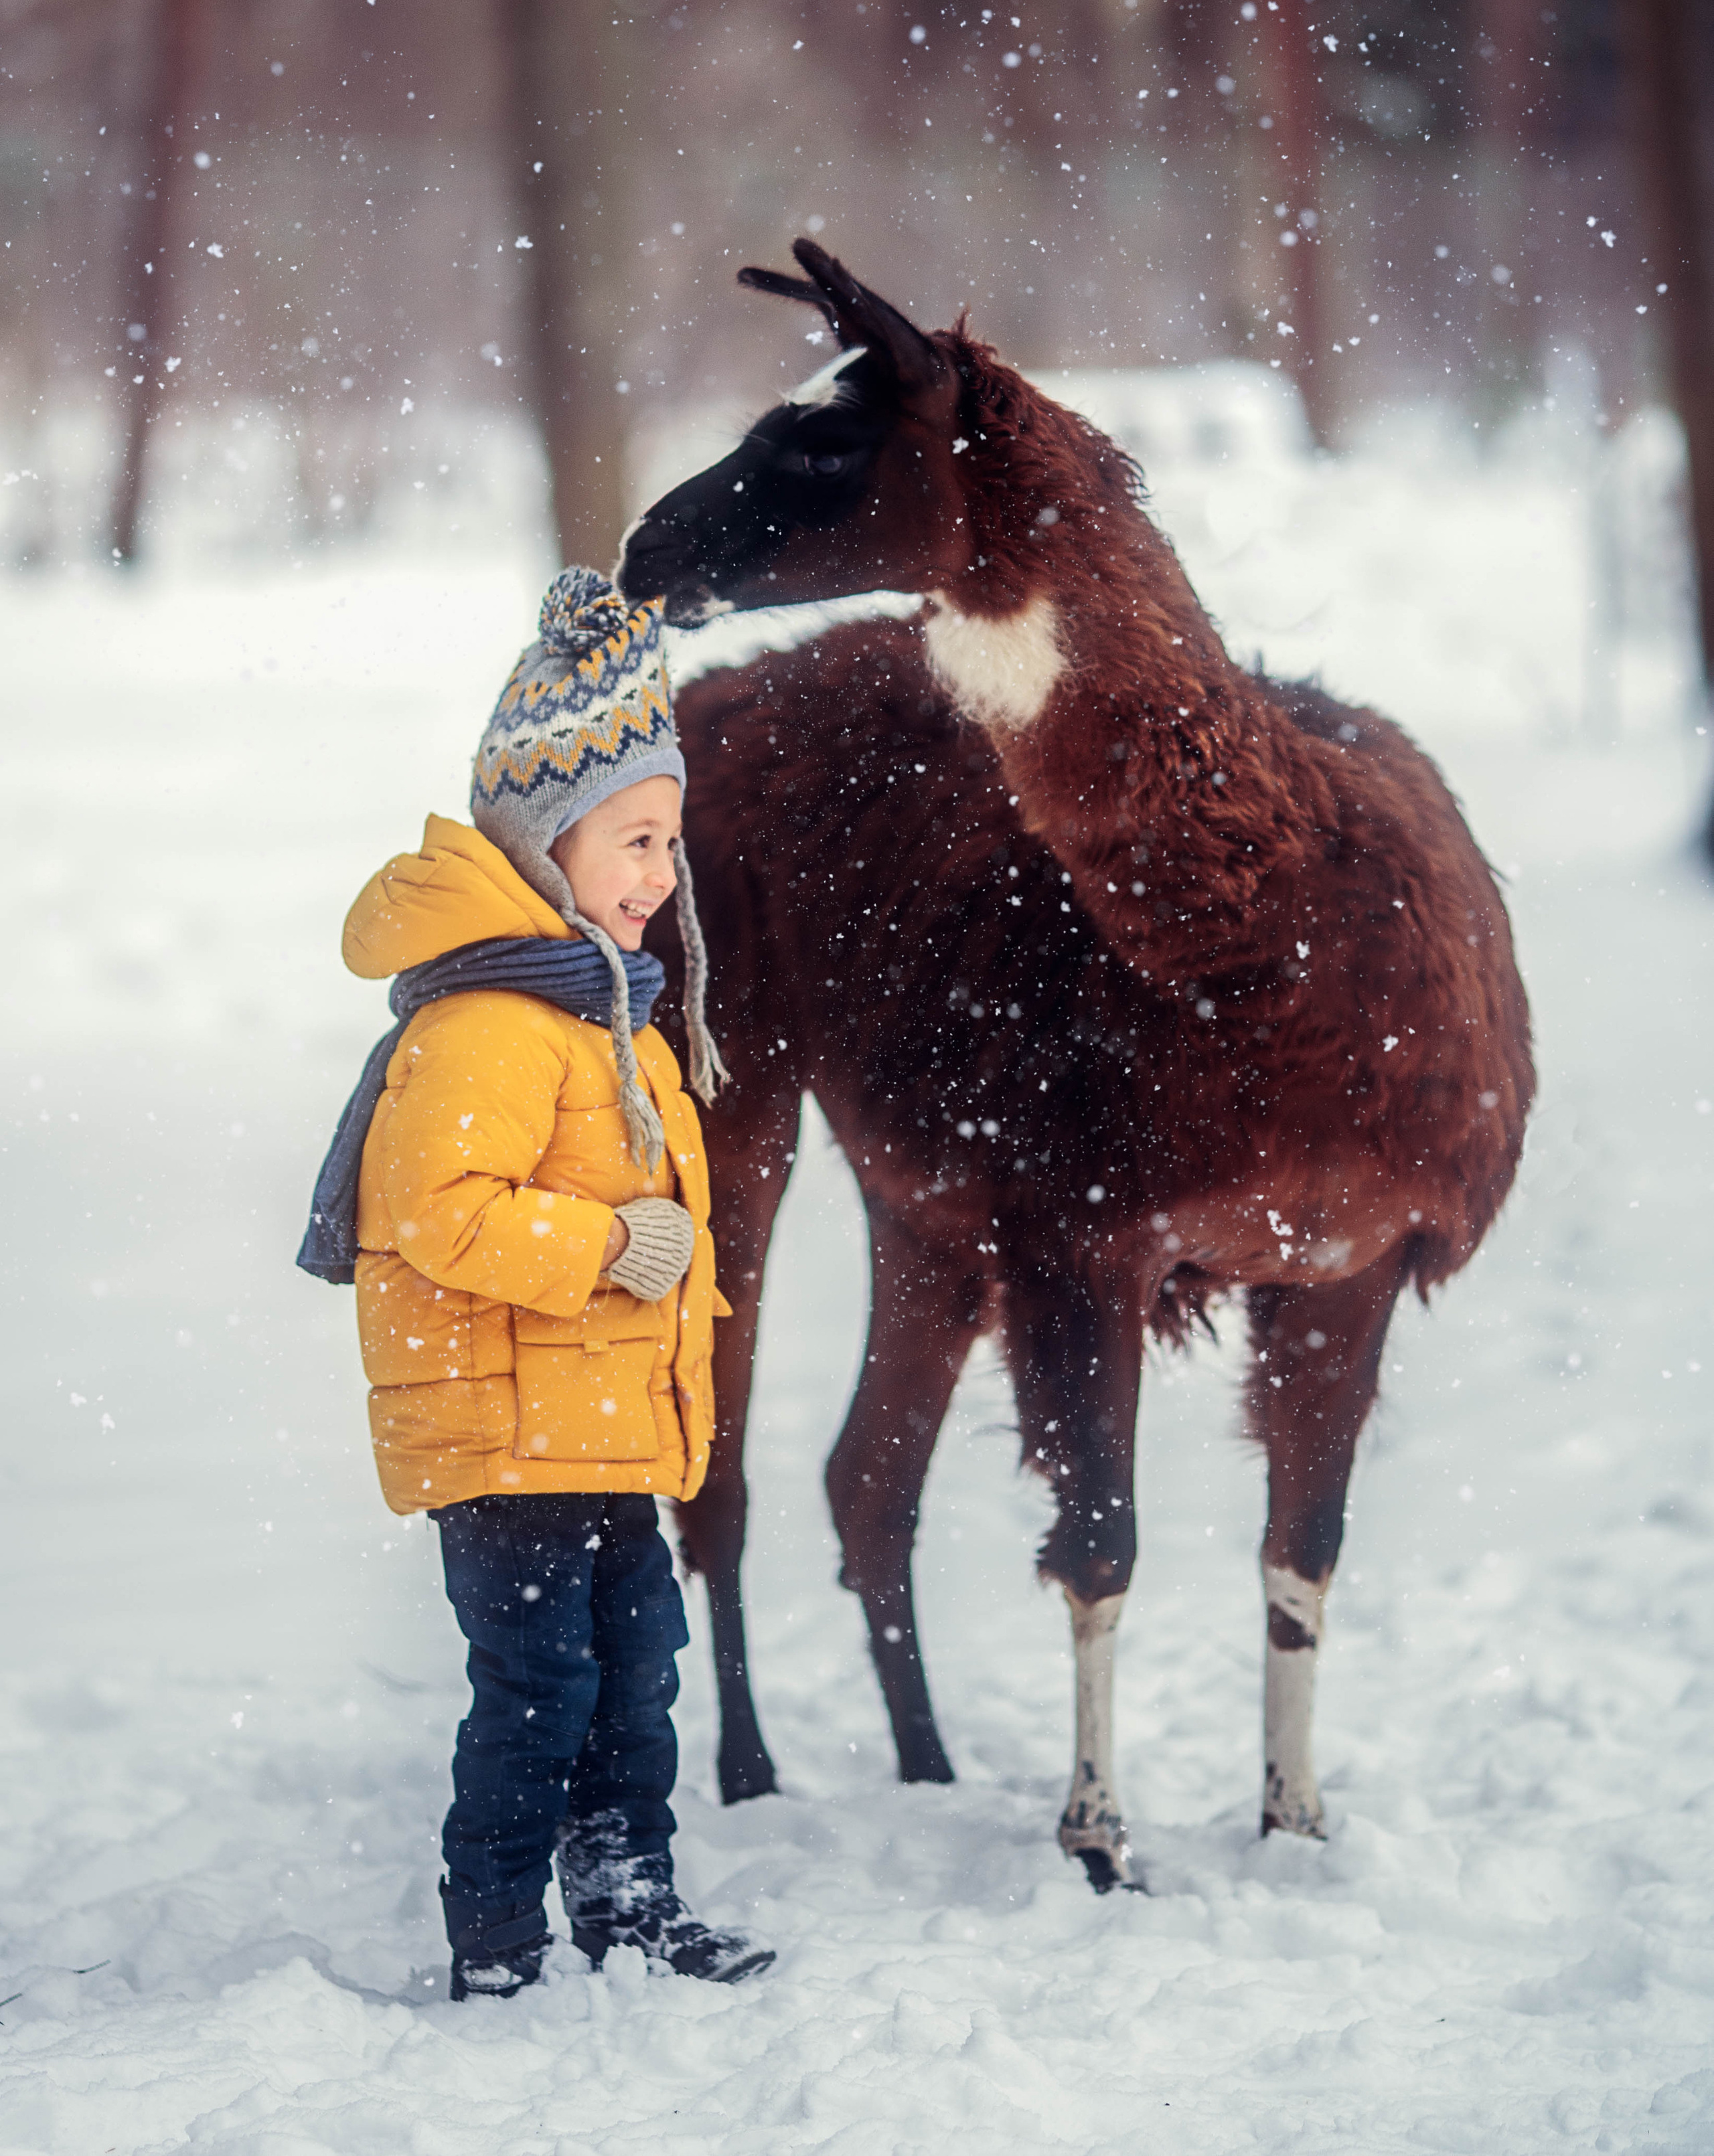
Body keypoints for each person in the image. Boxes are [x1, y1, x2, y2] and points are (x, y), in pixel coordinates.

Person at [299, 568, 771, 2001]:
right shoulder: (494, 1019)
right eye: (633, 839)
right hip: (508, 1443)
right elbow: (434, 1213)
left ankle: (626, 1899)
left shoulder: (594, 1004)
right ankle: (498, 1933)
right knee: (538, 1691)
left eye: (668, 844)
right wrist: (613, 1249)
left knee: (637, 1680)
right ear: (540, 836)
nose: (657, 876)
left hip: (598, 1429)